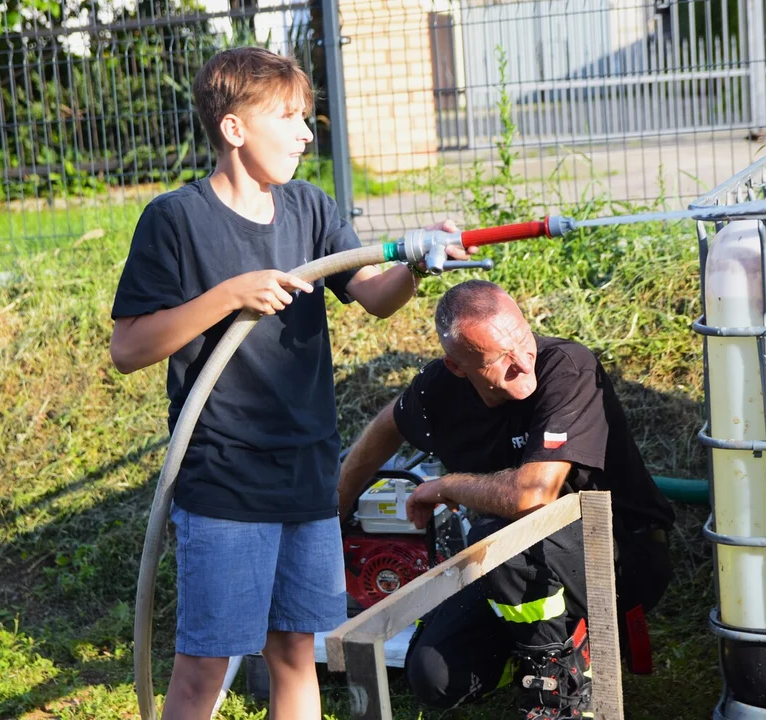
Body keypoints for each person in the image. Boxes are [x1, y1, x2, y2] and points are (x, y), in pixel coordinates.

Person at [109, 47, 470, 720]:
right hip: (224, 477)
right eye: (291, 117)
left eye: (308, 118)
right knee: (204, 666)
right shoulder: (177, 220)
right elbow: (128, 348)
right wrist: (227, 298)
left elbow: (373, 292)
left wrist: (418, 264)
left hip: (307, 472)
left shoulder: (309, 208)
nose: (308, 134)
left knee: (296, 654)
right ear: (235, 129)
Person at [337, 279, 675, 719]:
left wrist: (444, 486)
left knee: (508, 533)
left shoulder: (567, 367)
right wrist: (331, 517)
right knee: (434, 678)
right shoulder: (439, 387)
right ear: (458, 367)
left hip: (621, 552)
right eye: (499, 358)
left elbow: (531, 497)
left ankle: (559, 693)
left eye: (522, 339)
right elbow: (386, 427)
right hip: (510, 561)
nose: (522, 362)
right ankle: (532, 654)